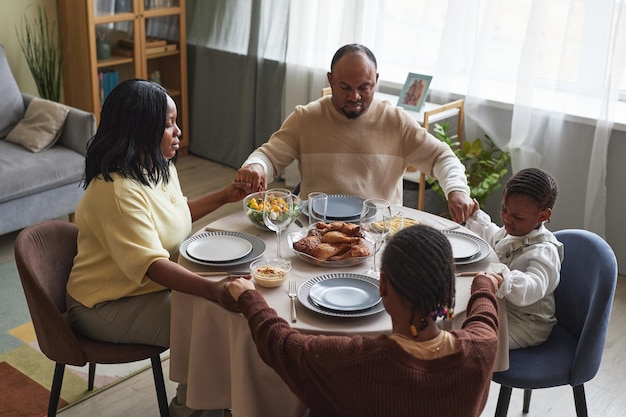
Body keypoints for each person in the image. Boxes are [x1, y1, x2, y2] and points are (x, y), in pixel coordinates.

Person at [65, 79, 249, 417]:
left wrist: (225, 196)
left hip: (144, 290)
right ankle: (193, 409)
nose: (178, 131)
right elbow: (152, 264)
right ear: (140, 128)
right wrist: (213, 289)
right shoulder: (116, 192)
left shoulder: (157, 168)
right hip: (105, 305)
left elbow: (175, 214)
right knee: (212, 322)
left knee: (216, 314)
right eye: (168, 124)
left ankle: (204, 403)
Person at [225, 225, 500, 417]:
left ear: (383, 287)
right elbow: (484, 318)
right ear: (448, 292)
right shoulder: (483, 348)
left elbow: (282, 343)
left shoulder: (352, 362)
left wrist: (250, 298)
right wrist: (484, 284)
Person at [235, 43, 474, 223]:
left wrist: (456, 190)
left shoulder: (396, 121)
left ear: (376, 81)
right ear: (330, 80)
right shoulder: (306, 118)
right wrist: (256, 166)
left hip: (378, 233)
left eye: (364, 87)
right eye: (345, 87)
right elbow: (268, 156)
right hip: (315, 231)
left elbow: (442, 157)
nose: (355, 96)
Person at [464, 167, 564, 349]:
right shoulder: (514, 230)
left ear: (543, 215)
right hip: (500, 307)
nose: (507, 220)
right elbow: (496, 241)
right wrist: (476, 217)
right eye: (504, 209)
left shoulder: (545, 251)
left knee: (472, 341)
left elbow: (533, 287)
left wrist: (505, 280)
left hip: (524, 324)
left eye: (517, 216)